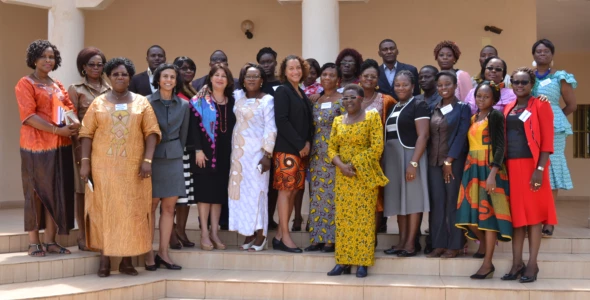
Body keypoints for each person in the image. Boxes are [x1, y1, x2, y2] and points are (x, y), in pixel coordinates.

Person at [79, 57, 161, 277]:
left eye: (124, 74)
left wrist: (147, 161)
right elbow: (86, 134)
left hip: (133, 170)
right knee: (104, 212)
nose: (120, 77)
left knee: (130, 213)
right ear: (108, 76)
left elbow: (152, 133)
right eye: (115, 74)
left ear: (130, 77)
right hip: (103, 169)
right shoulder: (98, 103)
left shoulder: (141, 103)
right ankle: (104, 260)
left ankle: (127, 261)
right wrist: (85, 163)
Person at [16, 40, 78, 257]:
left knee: (56, 191)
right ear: (34, 59)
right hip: (35, 147)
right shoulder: (25, 83)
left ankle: (51, 241)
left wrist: (74, 122)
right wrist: (55, 131)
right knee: (36, 193)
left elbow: (68, 108)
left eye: (51, 57)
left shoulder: (57, 85)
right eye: (43, 56)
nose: (48, 60)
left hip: (60, 145)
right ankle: (34, 242)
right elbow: (29, 117)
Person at [326, 84, 388, 278]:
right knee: (344, 220)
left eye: (352, 97)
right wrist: (342, 166)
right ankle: (342, 262)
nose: (348, 101)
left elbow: (377, 147)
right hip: (343, 177)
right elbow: (331, 149)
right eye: (345, 98)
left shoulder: (371, 117)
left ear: (361, 99)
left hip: (364, 175)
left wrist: (353, 164)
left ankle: (363, 262)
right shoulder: (338, 121)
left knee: (364, 220)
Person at [502, 68, 556, 283]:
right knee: (517, 219)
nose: (520, 85)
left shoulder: (541, 105)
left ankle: (532, 264)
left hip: (533, 168)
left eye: (524, 82)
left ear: (531, 83)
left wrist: (540, 170)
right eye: (516, 82)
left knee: (533, 218)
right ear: (512, 84)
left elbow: (547, 142)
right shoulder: (508, 107)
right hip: (511, 168)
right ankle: (517, 263)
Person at [456, 81, 512, 280]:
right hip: (472, 169)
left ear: (494, 99)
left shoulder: (495, 115)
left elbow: (500, 146)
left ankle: (487, 263)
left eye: (486, 96)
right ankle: (483, 248)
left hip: (490, 169)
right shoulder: (473, 117)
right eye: (479, 96)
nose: (481, 99)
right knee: (467, 214)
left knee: (488, 217)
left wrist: (492, 174)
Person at [530, 39, 577, 237]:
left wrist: (554, 118)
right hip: (531, 128)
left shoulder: (560, 77)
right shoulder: (527, 76)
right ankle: (533, 217)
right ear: (533, 55)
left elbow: (572, 105)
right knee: (532, 170)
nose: (542, 54)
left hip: (554, 129)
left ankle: (549, 220)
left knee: (552, 171)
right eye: (538, 51)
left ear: (552, 54)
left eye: (546, 51)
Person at [145, 63, 189, 271]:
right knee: (150, 208)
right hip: (151, 159)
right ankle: (148, 252)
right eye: (165, 76)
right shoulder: (145, 103)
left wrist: (176, 152)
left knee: (169, 208)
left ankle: (163, 252)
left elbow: (184, 135)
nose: (169, 80)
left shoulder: (184, 105)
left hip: (173, 159)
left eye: (172, 77)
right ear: (158, 79)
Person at [187, 64, 236, 250]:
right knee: (205, 195)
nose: (220, 78)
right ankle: (204, 234)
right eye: (216, 75)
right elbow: (194, 128)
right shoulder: (199, 101)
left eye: (224, 75)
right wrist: (198, 150)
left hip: (225, 154)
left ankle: (215, 233)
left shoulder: (232, 101)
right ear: (210, 78)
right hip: (204, 154)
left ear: (228, 80)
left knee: (217, 196)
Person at [228, 63, 277, 252]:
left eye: (255, 76)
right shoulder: (238, 96)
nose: (251, 79)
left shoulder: (267, 100)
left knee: (258, 192)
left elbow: (270, 128)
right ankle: (248, 231)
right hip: (239, 156)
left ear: (262, 80)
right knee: (243, 194)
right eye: (248, 76)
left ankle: (261, 234)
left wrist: (267, 155)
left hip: (258, 154)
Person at [382, 70, 430, 257]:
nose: (400, 88)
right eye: (397, 85)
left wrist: (414, 163)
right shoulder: (395, 107)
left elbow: (423, 135)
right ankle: (401, 242)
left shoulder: (419, 105)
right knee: (399, 200)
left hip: (411, 156)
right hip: (393, 159)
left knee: (413, 201)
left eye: (405, 85)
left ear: (413, 86)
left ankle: (411, 244)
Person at [68, 47, 111, 251]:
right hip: (81, 148)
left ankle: (99, 233)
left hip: (105, 150)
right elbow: (70, 118)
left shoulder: (109, 89)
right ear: (83, 67)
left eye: (99, 64)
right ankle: (83, 235)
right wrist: (79, 148)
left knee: (101, 192)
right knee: (82, 192)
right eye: (91, 64)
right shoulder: (76, 89)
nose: (96, 67)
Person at [425, 71, 470, 258]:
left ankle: (455, 244)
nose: (443, 88)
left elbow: (461, 136)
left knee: (453, 202)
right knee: (437, 203)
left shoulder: (463, 108)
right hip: (434, 163)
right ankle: (438, 244)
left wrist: (449, 160)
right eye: (440, 85)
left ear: (455, 86)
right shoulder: (434, 108)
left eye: (447, 85)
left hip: (453, 163)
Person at [272, 55, 313, 253]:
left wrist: (307, 143)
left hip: (300, 151)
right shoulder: (282, 91)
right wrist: (299, 144)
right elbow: (282, 121)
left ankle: (280, 235)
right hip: (287, 150)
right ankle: (285, 236)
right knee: (285, 192)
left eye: (298, 68)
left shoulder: (301, 92)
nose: (295, 71)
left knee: (293, 192)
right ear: (284, 71)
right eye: (291, 68)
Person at [305, 62, 343, 252]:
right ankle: (317, 237)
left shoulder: (343, 100)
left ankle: (331, 239)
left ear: (338, 80)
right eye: (324, 75)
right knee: (317, 197)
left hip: (334, 155)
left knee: (332, 196)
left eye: (331, 75)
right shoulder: (316, 100)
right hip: (316, 155)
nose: (327, 78)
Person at [358, 59, 396, 234]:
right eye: (366, 76)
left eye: (373, 76)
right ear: (360, 78)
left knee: (376, 196)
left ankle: (372, 236)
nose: (369, 79)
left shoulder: (386, 100)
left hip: (376, 156)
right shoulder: (351, 98)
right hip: (352, 156)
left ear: (378, 79)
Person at [171, 56, 198, 248]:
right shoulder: (174, 93)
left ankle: (181, 230)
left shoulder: (194, 92)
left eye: (191, 68)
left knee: (186, 195)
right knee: (175, 194)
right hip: (176, 150)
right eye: (183, 68)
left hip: (190, 150)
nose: (187, 71)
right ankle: (172, 232)